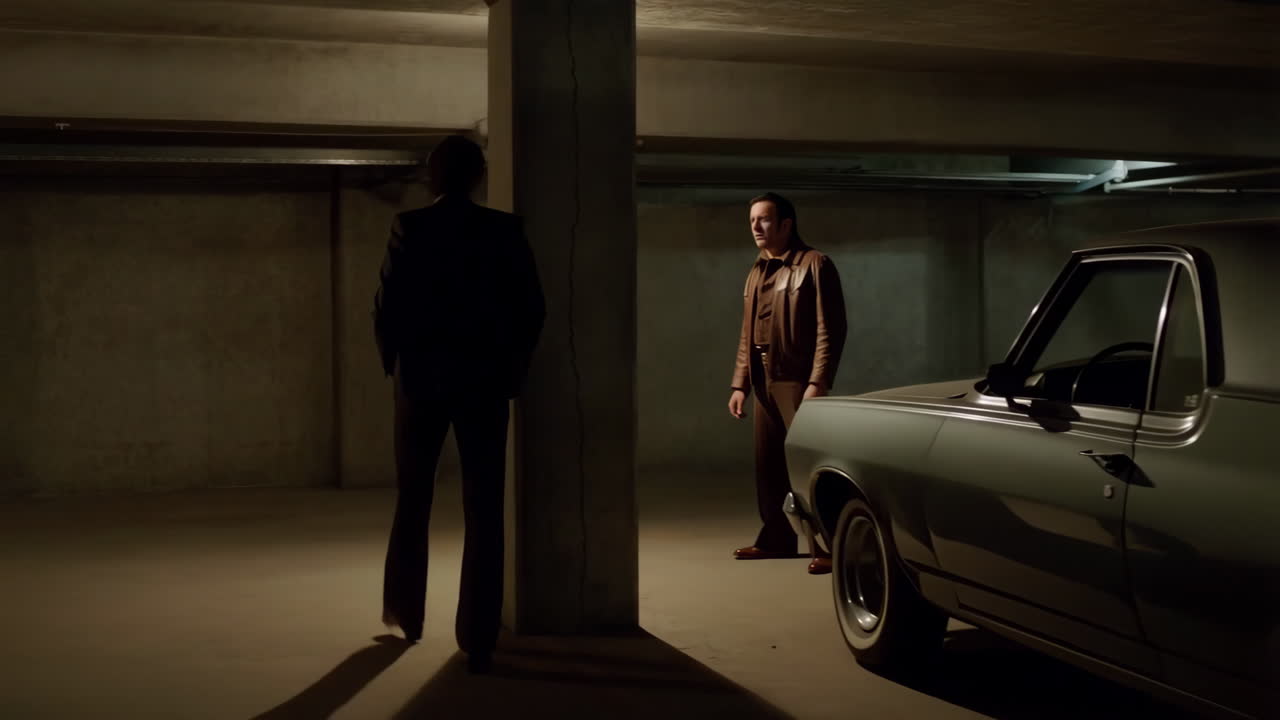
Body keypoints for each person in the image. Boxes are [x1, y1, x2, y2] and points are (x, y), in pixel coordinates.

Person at [373, 134, 545, 673]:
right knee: (484, 508)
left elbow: (387, 305)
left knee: (413, 498)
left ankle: (406, 612)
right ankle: (478, 637)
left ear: (434, 176)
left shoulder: (412, 226)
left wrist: (396, 366)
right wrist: (509, 374)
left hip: (422, 381)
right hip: (484, 384)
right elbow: (531, 308)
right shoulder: (503, 229)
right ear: (478, 176)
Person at [727, 192, 846, 575]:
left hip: (796, 381)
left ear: (786, 224)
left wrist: (818, 381)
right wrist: (739, 384)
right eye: (752, 221)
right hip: (763, 379)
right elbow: (747, 333)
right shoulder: (756, 271)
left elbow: (832, 328)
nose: (756, 228)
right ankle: (776, 539)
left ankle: (827, 546)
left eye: (764, 220)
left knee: (807, 465)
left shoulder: (815, 265)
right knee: (769, 466)